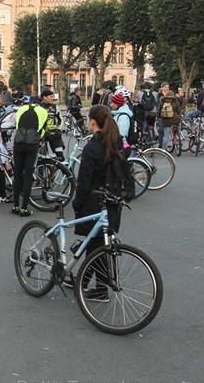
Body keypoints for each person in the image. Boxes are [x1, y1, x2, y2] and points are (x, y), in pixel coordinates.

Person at [68, 104, 124, 301]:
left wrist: (77, 203)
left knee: (95, 246)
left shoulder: (92, 147)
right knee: (98, 245)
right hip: (113, 200)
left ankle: (88, 285)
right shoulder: (116, 142)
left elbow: (84, 182)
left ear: (92, 121)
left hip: (94, 201)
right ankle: (92, 285)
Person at [11, 98, 50, 217]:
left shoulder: (21, 109)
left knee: (17, 174)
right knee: (28, 176)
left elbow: (17, 124)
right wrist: (41, 140)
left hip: (18, 143)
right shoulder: (43, 111)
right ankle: (24, 208)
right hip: (32, 144)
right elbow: (43, 130)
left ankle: (15, 205)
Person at [39, 89, 65, 161]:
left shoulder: (55, 106)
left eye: (53, 96)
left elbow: (61, 120)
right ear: (44, 97)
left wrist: (58, 128)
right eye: (51, 96)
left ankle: (63, 170)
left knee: (60, 156)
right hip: (42, 134)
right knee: (41, 157)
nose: (53, 98)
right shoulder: (38, 106)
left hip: (53, 133)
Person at [109, 92, 133, 156]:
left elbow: (122, 134)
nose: (111, 105)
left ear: (117, 104)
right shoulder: (118, 114)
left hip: (122, 145)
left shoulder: (123, 117)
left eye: (112, 103)